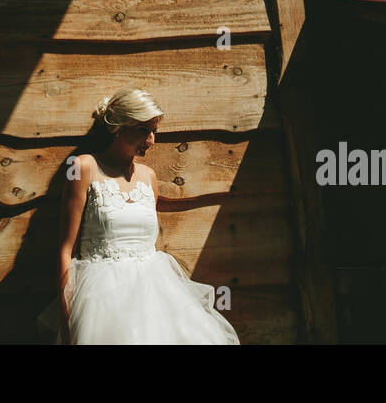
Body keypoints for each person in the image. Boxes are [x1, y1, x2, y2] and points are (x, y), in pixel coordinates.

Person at [37, 87, 239, 344]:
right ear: (119, 127)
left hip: (155, 295)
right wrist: (68, 323)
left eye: (154, 131)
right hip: (101, 300)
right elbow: (66, 251)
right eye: (143, 130)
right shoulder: (83, 167)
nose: (151, 140)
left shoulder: (149, 176)